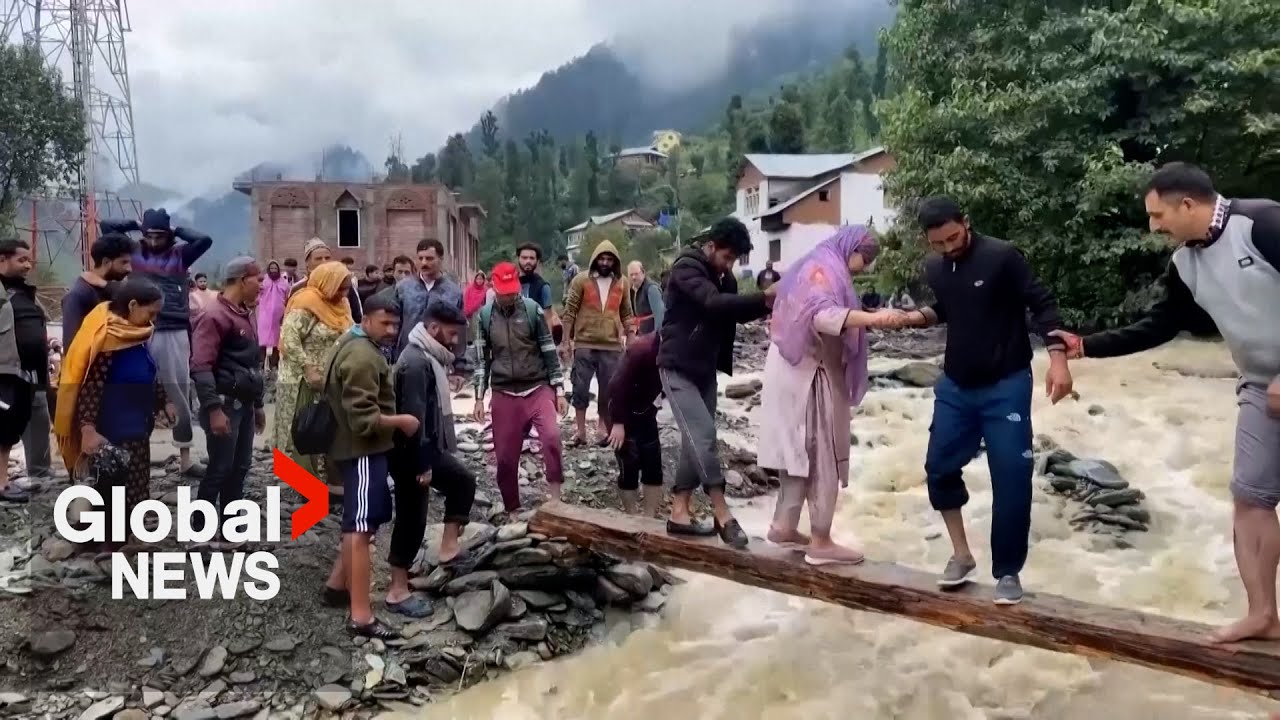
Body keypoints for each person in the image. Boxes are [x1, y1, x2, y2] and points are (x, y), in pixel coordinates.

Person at [1050, 163, 1280, 641]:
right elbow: (1162, 325)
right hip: (1261, 388)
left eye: (1157, 215)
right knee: (1250, 499)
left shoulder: (1263, 224)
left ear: (1188, 205)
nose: (1153, 227)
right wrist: (1087, 346)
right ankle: (1263, 615)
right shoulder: (1185, 264)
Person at [895, 196, 1073, 605]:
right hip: (956, 385)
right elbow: (949, 306)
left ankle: (1008, 572)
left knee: (1011, 476)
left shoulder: (1002, 256)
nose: (948, 248)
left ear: (966, 222)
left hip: (1006, 382)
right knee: (939, 468)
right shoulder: (936, 267)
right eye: (938, 243)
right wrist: (916, 317)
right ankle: (961, 554)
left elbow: (1042, 304)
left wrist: (1058, 360)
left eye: (953, 238)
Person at [758, 225, 899, 565]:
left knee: (796, 449)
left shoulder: (809, 263)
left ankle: (783, 525)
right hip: (811, 372)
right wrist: (876, 319)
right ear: (853, 248)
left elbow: (779, 298)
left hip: (786, 367)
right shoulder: (824, 270)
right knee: (822, 453)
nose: (865, 266)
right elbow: (821, 315)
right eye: (866, 257)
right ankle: (820, 540)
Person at [658, 218, 774, 548]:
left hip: (704, 370)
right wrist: (764, 297)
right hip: (676, 366)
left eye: (734, 259)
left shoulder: (727, 279)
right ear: (711, 246)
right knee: (704, 435)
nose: (729, 265)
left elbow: (732, 312)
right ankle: (722, 513)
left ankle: (679, 512)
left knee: (694, 440)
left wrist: (769, 303)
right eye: (726, 257)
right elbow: (712, 302)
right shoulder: (686, 268)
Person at [320, 293, 419, 639]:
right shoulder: (362, 356)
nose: (391, 330)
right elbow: (363, 420)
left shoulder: (352, 341)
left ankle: (336, 586)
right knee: (360, 529)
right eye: (384, 323)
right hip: (361, 450)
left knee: (359, 520)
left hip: (354, 449)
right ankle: (361, 617)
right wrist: (402, 421)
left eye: (395, 324)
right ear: (366, 320)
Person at [54, 278, 169, 541]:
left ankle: (127, 535)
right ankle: (107, 544)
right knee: (113, 485)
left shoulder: (136, 333)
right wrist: (87, 428)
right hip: (113, 427)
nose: (154, 320)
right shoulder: (108, 339)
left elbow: (149, 370)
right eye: (151, 313)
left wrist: (164, 401)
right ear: (132, 305)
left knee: (136, 481)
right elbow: (91, 386)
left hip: (138, 425)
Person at [101, 209, 213, 478]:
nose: (153, 240)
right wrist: (136, 224)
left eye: (159, 235)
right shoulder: (132, 251)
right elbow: (106, 226)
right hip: (136, 327)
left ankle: (185, 457)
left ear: (168, 235)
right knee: (136, 389)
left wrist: (176, 230)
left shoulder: (181, 254)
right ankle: (135, 456)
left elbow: (205, 240)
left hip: (172, 327)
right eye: (149, 235)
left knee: (178, 390)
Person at [388, 301, 477, 615]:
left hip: (424, 448)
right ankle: (397, 591)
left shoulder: (429, 357)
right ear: (434, 328)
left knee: (462, 482)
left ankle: (448, 549)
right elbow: (414, 420)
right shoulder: (416, 363)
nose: (454, 341)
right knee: (412, 518)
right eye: (451, 334)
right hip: (411, 453)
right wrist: (423, 464)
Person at [472, 262, 567, 516]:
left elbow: (549, 351)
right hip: (503, 390)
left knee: (551, 438)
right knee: (505, 456)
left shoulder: (532, 309)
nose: (509, 297)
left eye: (512, 292)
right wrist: (479, 397)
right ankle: (512, 509)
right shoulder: (484, 316)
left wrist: (559, 389)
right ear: (494, 288)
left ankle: (556, 501)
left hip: (537, 385)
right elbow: (482, 360)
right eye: (504, 293)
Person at [190, 257, 266, 544]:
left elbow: (251, 364)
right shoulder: (214, 316)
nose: (261, 286)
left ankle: (231, 528)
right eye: (258, 280)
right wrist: (213, 409)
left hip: (244, 404)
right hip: (224, 404)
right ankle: (200, 528)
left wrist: (258, 404)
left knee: (240, 466)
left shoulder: (244, 313)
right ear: (242, 280)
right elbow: (201, 367)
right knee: (220, 467)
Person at [273, 262, 354, 485]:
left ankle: (325, 483)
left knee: (324, 428)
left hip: (330, 379)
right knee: (302, 429)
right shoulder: (305, 303)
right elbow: (289, 340)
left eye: (346, 288)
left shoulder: (342, 305)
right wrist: (308, 369)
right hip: (302, 380)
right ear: (327, 283)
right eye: (339, 288)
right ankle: (305, 486)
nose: (343, 293)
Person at [561, 240, 633, 445]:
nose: (605, 262)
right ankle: (580, 431)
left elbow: (627, 313)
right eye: (602, 258)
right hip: (584, 343)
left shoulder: (623, 282)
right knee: (580, 388)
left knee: (608, 390)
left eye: (609, 259)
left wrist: (632, 339)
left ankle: (602, 429)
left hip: (611, 345)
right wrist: (565, 342)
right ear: (595, 259)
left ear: (615, 261)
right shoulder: (581, 280)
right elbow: (570, 312)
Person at [0, 240, 52, 497]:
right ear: (2, 260)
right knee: (3, 428)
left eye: (29, 260)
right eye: (21, 260)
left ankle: (19, 479)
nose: (28, 265)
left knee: (19, 427)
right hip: (5, 374)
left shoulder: (25, 293)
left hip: (29, 375)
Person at [606, 332, 664, 516]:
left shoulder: (678, 352)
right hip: (622, 410)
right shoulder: (640, 349)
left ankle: (649, 517)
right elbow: (616, 385)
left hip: (647, 411)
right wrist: (618, 423)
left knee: (653, 466)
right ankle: (631, 515)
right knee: (628, 466)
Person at [392, 239, 465, 369]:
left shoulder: (453, 292)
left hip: (439, 359)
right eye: (420, 258)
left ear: (441, 259)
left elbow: (459, 330)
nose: (424, 263)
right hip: (406, 358)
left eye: (429, 258)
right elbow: (394, 324)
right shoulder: (403, 288)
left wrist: (459, 366)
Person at [62, 232, 134, 348]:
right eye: (124, 262)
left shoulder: (112, 290)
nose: (129, 269)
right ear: (106, 262)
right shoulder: (79, 294)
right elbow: (72, 346)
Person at [289, 238, 364, 323]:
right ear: (307, 263)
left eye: (327, 258)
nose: (324, 262)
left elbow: (357, 317)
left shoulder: (343, 285)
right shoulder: (299, 288)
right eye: (318, 259)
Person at [517, 242, 563, 345]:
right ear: (518, 259)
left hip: (534, 344)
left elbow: (547, 319)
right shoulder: (509, 284)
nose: (528, 261)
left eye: (532, 258)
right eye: (524, 258)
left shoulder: (543, 287)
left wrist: (547, 346)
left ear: (537, 261)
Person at [256, 260, 291, 373]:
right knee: (263, 339)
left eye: (275, 269)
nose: (273, 271)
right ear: (268, 270)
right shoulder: (263, 282)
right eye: (271, 269)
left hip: (278, 316)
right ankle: (261, 364)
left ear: (278, 270)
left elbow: (287, 297)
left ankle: (275, 365)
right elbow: (257, 295)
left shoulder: (284, 283)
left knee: (277, 340)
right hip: (264, 315)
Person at [627, 260, 666, 335]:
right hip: (641, 333)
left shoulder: (651, 289)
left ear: (643, 273)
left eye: (636, 274)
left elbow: (660, 314)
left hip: (651, 334)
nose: (634, 277)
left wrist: (658, 335)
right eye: (631, 275)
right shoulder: (631, 290)